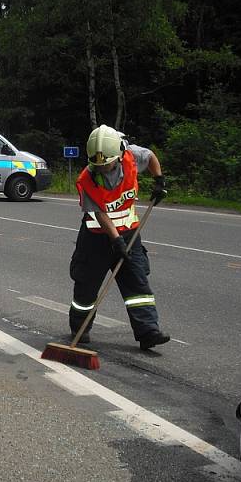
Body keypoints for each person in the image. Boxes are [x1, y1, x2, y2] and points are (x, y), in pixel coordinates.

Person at [68, 124, 170, 351]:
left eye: (108, 164)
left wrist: (159, 180)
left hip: (129, 232)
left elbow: (151, 157)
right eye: (98, 165)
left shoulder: (132, 156)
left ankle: (148, 332)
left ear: (119, 154)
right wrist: (116, 240)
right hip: (95, 238)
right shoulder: (86, 178)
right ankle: (80, 329)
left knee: (137, 281)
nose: (103, 169)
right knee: (86, 286)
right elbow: (100, 214)